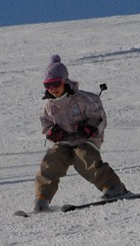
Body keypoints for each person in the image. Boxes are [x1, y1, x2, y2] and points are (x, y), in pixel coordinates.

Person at [32, 55, 129, 212]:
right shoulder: (49, 106)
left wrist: (89, 128)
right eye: (47, 85)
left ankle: (114, 187)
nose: (52, 88)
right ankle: (42, 199)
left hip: (85, 140)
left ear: (65, 81)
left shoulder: (82, 99)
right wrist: (52, 132)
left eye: (56, 83)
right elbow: (45, 123)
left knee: (84, 159)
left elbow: (99, 116)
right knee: (50, 162)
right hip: (64, 142)